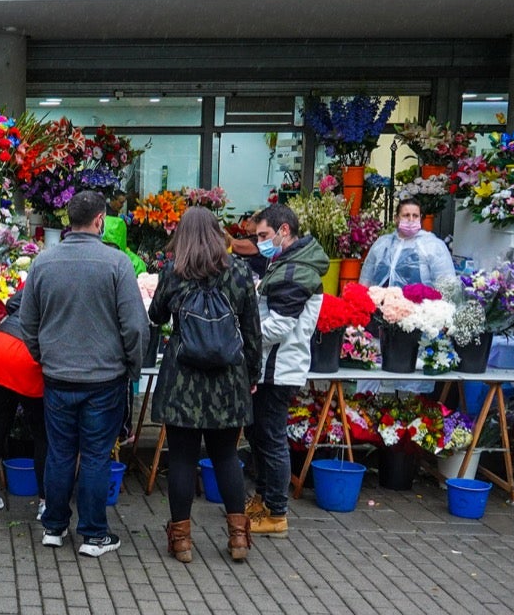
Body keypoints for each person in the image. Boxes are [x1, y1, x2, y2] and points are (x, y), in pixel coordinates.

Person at [19, 190, 149, 558]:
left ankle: (54, 528)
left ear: (68, 221)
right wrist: (132, 367)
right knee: (94, 455)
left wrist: (44, 356)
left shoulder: (43, 262)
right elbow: (135, 327)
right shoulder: (117, 263)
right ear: (100, 221)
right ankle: (93, 535)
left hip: (58, 376)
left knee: (60, 452)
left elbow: (27, 322)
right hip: (104, 379)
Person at [147, 208, 263, 563]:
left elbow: (156, 317)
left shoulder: (173, 272)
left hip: (183, 378)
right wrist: (252, 376)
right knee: (226, 457)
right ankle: (239, 538)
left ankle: (181, 541)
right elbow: (252, 332)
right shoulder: (241, 272)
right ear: (217, 234)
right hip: (228, 380)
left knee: (181, 459)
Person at [246, 204, 328, 538]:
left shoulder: (296, 271)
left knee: (271, 439)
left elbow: (279, 326)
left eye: (264, 235)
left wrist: (243, 337)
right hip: (272, 366)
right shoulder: (286, 263)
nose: (260, 242)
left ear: (284, 231)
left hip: (278, 368)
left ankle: (276, 513)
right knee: (259, 435)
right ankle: (265, 501)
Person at [0, 291, 48, 517]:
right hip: (28, 355)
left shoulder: (42, 270)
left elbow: (11, 303)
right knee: (43, 434)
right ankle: (46, 503)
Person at [360, 198, 453, 289]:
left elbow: (447, 285)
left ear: (420, 218)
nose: (411, 219)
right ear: (396, 218)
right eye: (406, 215)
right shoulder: (382, 244)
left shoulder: (433, 246)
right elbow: (366, 278)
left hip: (420, 303)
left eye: (415, 216)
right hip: (380, 302)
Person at [102, 189, 148, 274]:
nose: (122, 205)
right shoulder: (104, 214)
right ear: (113, 200)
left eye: (123, 203)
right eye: (121, 202)